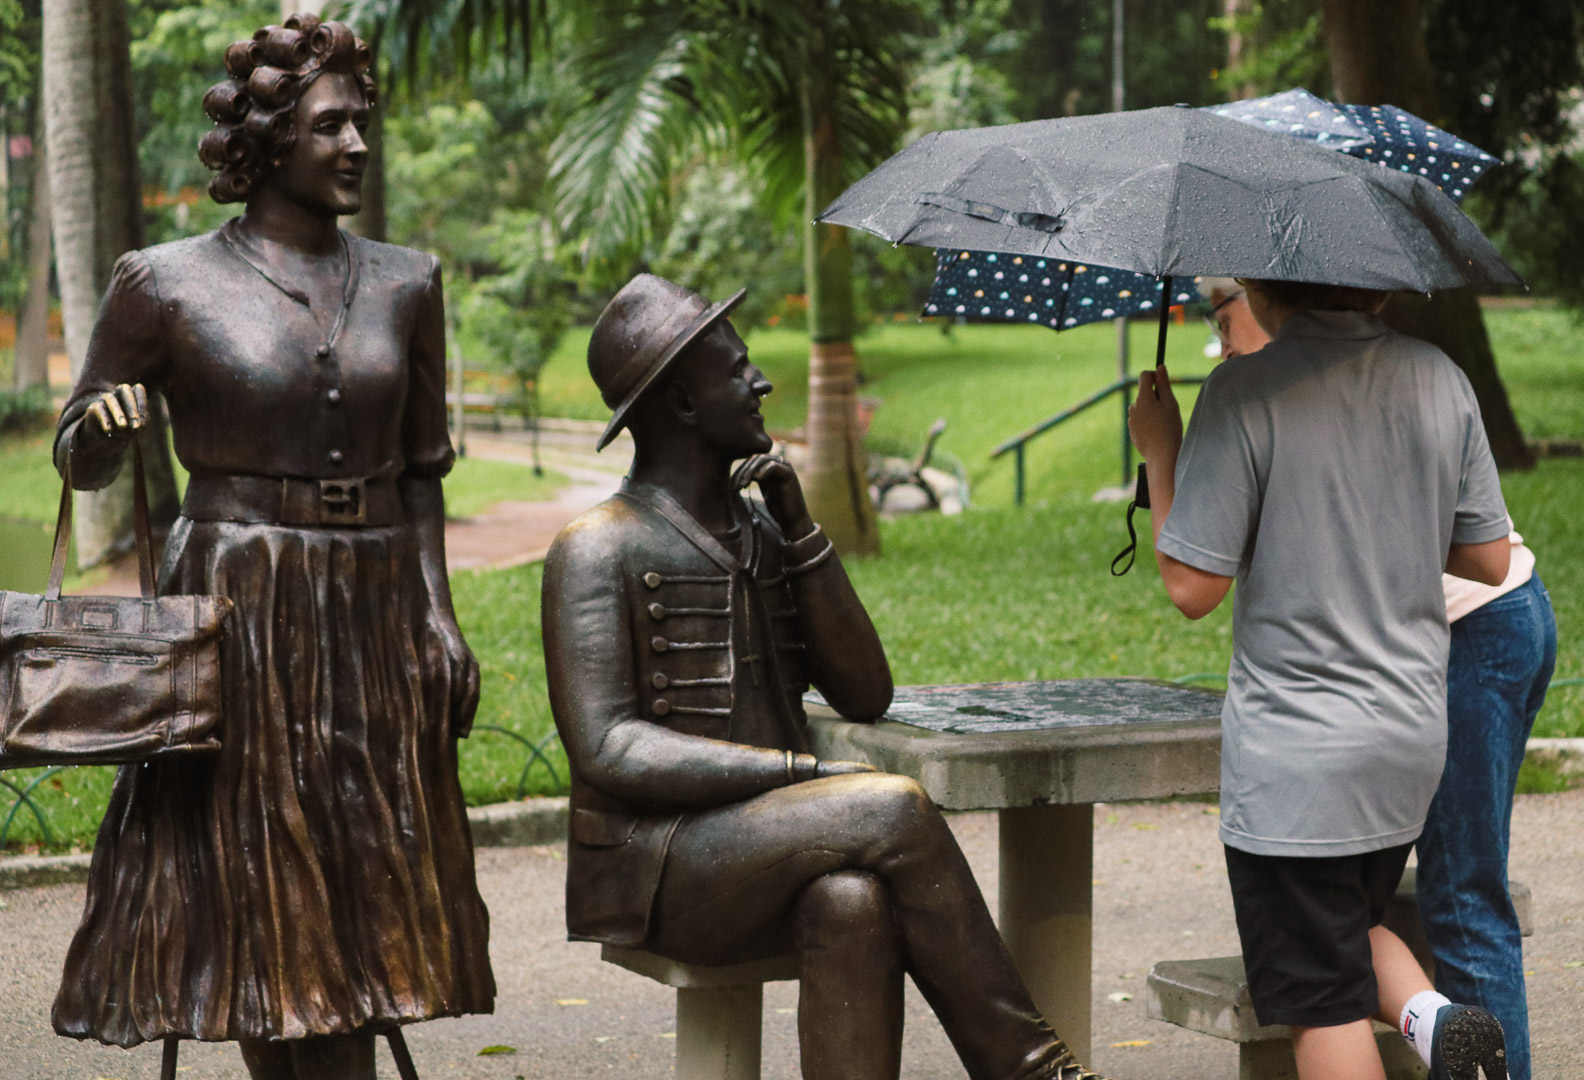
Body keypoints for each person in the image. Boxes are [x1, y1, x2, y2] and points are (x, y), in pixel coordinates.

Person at [50, 15, 492, 1079]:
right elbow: (76, 453)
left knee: (366, 880)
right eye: (331, 125)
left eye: (361, 124)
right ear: (271, 139)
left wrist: (438, 615)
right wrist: (100, 432)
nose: (356, 145)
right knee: (262, 882)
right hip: (242, 606)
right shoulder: (162, 283)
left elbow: (422, 472)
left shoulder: (409, 282)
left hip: (377, 602)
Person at [541, 273, 1105, 1080]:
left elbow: (864, 692)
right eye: (735, 369)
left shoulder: (765, 530)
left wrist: (802, 533)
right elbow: (610, 749)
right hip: (656, 864)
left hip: (771, 838)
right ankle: (1032, 1068)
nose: (759, 381)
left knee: (854, 904)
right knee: (892, 804)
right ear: (684, 404)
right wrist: (800, 772)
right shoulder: (599, 547)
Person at [1128, 276, 1516, 1080]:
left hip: (1297, 764)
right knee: (1341, 927)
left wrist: (1161, 453)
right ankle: (1436, 1022)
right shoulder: (1441, 376)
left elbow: (1191, 588)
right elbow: (1487, 556)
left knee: (1322, 1000)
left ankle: (1423, 1026)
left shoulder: (1245, 389)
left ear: (1267, 288)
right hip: (1405, 744)